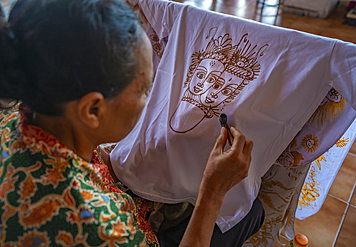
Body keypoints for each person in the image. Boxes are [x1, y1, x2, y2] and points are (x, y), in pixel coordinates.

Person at [0, 0, 264, 246]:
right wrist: (213, 193)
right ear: (92, 110)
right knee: (251, 212)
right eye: (144, 90)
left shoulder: (17, 113)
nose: (151, 101)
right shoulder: (103, 227)